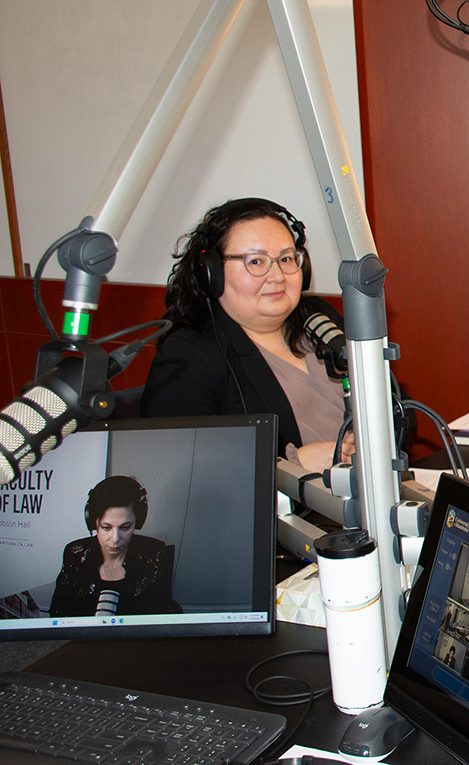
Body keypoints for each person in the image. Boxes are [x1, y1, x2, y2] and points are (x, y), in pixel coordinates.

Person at [141, 198, 353, 471]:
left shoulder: (319, 319)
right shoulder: (189, 354)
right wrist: (292, 466)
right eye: (256, 261)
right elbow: (178, 468)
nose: (277, 276)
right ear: (212, 273)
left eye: (286, 259)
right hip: (290, 511)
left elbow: (396, 404)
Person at [48, 476, 182, 618]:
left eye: (125, 527)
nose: (115, 539)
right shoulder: (76, 553)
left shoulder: (154, 553)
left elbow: (163, 612)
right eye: (106, 528)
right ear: (93, 523)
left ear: (138, 521)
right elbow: (59, 611)